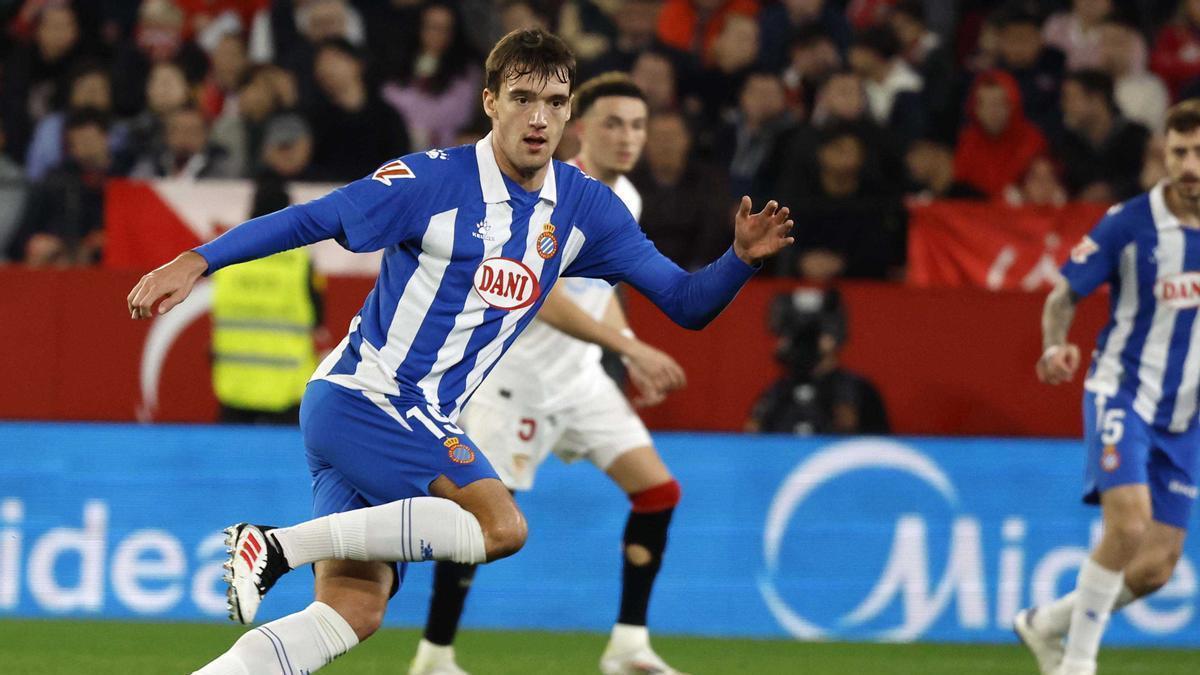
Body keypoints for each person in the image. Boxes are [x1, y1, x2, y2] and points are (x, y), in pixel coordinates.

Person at [125, 29, 793, 675]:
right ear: (491, 102)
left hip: (403, 416)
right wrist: (198, 259)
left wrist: (739, 260)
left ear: (570, 114)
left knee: (352, 610)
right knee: (501, 527)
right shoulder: (430, 179)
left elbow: (685, 302)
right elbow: (314, 217)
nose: (539, 118)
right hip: (369, 398)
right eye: (523, 98)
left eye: (555, 102)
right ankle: (275, 545)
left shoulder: (587, 208)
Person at [409, 71, 689, 675]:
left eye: (638, 126)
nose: (627, 137)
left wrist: (628, 350)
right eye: (613, 123)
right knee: (486, 524)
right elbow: (545, 297)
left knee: (658, 492)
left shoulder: (625, 197)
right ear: (580, 128)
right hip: (517, 384)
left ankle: (628, 646)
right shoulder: (551, 195)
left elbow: (600, 289)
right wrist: (630, 348)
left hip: (581, 381)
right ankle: (434, 654)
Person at [1015, 100, 1200, 675]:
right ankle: (1078, 662)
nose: (1190, 165)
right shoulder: (1129, 223)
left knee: (1156, 568)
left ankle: (1047, 623)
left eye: (1199, 153)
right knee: (1129, 523)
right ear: (1163, 154)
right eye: (1179, 152)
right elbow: (1063, 295)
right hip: (1121, 392)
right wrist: (1054, 345)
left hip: (1185, 417)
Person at [746, 287, 888, 435]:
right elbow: (750, 441)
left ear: (833, 338)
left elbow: (880, 445)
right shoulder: (777, 392)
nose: (803, 343)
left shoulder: (855, 391)